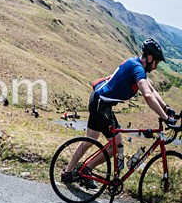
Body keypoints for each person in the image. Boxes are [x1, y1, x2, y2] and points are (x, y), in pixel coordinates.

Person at [62, 38, 177, 185]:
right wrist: (165, 118)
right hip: (101, 105)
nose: (156, 67)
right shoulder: (137, 69)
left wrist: (167, 109)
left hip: (98, 100)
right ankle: (86, 171)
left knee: (90, 139)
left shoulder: (135, 64)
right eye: (157, 62)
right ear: (149, 58)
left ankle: (68, 172)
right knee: (115, 146)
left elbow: (152, 90)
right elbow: (148, 96)